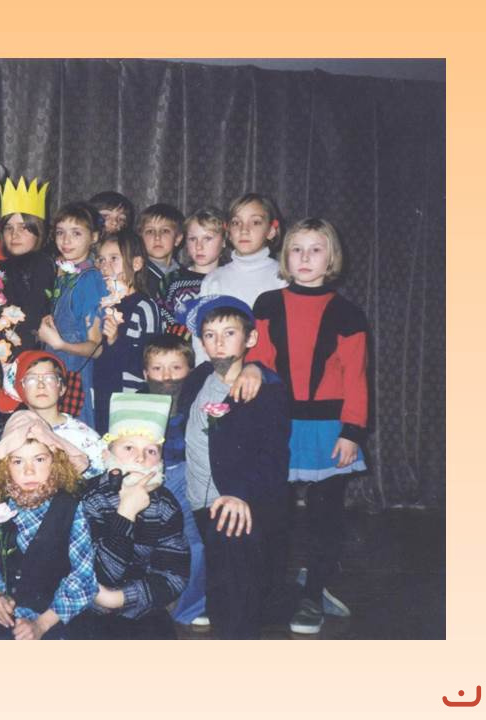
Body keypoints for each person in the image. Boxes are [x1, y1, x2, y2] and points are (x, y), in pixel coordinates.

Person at [249, 218, 368, 634]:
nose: (304, 258)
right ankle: (270, 591)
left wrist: (351, 432)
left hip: (328, 430)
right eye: (297, 249)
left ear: (330, 257)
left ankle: (313, 594)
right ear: (286, 255)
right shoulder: (267, 304)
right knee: (273, 516)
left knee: (324, 517)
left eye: (315, 250)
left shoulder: (347, 313)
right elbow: (259, 364)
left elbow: (356, 378)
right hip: (278, 425)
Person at [177, 296, 290, 639]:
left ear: (250, 338)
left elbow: (273, 455)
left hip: (234, 502)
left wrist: (241, 494)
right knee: (221, 588)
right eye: (210, 335)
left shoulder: (264, 390)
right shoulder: (199, 377)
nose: (219, 342)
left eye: (229, 333)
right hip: (199, 500)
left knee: (237, 598)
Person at [0, 411, 97, 640]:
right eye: (18, 461)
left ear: (55, 462)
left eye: (39, 459)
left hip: (53, 618)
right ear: (5, 467)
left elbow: (83, 579)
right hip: (0, 616)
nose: (29, 470)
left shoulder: (70, 509)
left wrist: (41, 625)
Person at [74, 392, 190, 639]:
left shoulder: (165, 504)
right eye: (129, 448)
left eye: (151, 451)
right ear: (107, 456)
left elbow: (174, 575)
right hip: (84, 606)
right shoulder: (88, 497)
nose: (140, 458)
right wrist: (126, 512)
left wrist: (121, 598)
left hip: (138, 605)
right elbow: (101, 576)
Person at [138, 334, 209, 627]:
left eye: (176, 368)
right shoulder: (136, 401)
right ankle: (144, 602)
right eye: (157, 369)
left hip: (190, 477)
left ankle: (191, 606)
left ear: (190, 370)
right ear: (145, 373)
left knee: (196, 542)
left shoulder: (200, 397)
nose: (166, 376)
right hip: (149, 480)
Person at [197, 193, 288, 364]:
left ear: (271, 231)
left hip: (269, 371)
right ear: (228, 232)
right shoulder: (214, 279)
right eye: (236, 223)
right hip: (221, 370)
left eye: (255, 222)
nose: (244, 229)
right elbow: (200, 335)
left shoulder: (283, 278)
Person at [36, 202, 105, 426]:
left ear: (94, 237)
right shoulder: (62, 273)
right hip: (54, 373)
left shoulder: (90, 279)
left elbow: (96, 347)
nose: (66, 241)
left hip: (76, 377)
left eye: (76, 233)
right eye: (60, 233)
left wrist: (60, 343)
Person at [92, 230, 162, 434]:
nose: (105, 266)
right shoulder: (102, 304)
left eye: (114, 259)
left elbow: (147, 362)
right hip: (102, 394)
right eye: (101, 260)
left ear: (136, 263)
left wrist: (116, 340)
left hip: (129, 399)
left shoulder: (144, 307)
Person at [11, 350, 105, 479]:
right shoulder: (14, 433)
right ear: (21, 389)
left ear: (62, 388)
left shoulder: (85, 437)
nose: (41, 385)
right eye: (31, 379)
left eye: (49, 378)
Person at [0, 177, 55, 353]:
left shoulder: (42, 264)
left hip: (27, 350)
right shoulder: (2, 268)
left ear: (39, 231)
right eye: (9, 228)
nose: (14, 235)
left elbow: (34, 314)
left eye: (23, 227)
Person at [160, 206, 229, 336]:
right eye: (192, 239)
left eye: (207, 238)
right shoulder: (172, 281)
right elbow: (163, 323)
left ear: (224, 241)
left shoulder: (231, 280)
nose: (199, 246)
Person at [137, 202, 185, 313]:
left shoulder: (186, 276)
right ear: (140, 238)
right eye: (150, 231)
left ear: (177, 239)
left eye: (165, 231)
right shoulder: (136, 276)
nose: (157, 237)